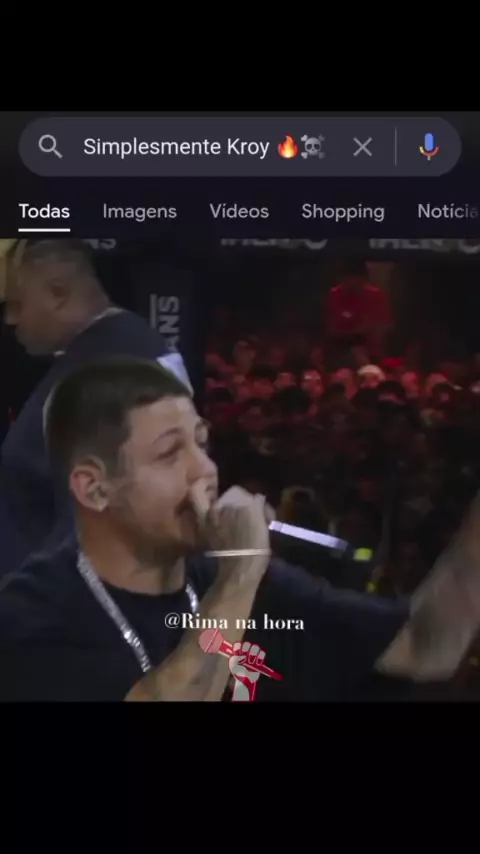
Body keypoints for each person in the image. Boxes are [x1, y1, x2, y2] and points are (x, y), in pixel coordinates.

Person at [1, 357, 480, 702]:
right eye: (170, 453)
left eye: (201, 443)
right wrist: (242, 568)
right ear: (95, 489)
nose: (205, 470)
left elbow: (426, 646)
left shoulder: (248, 583)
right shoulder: (29, 616)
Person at [0, 239, 190, 574]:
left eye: (16, 304)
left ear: (58, 293)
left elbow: (105, 518)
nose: (10, 319)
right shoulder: (116, 351)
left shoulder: (112, 370)